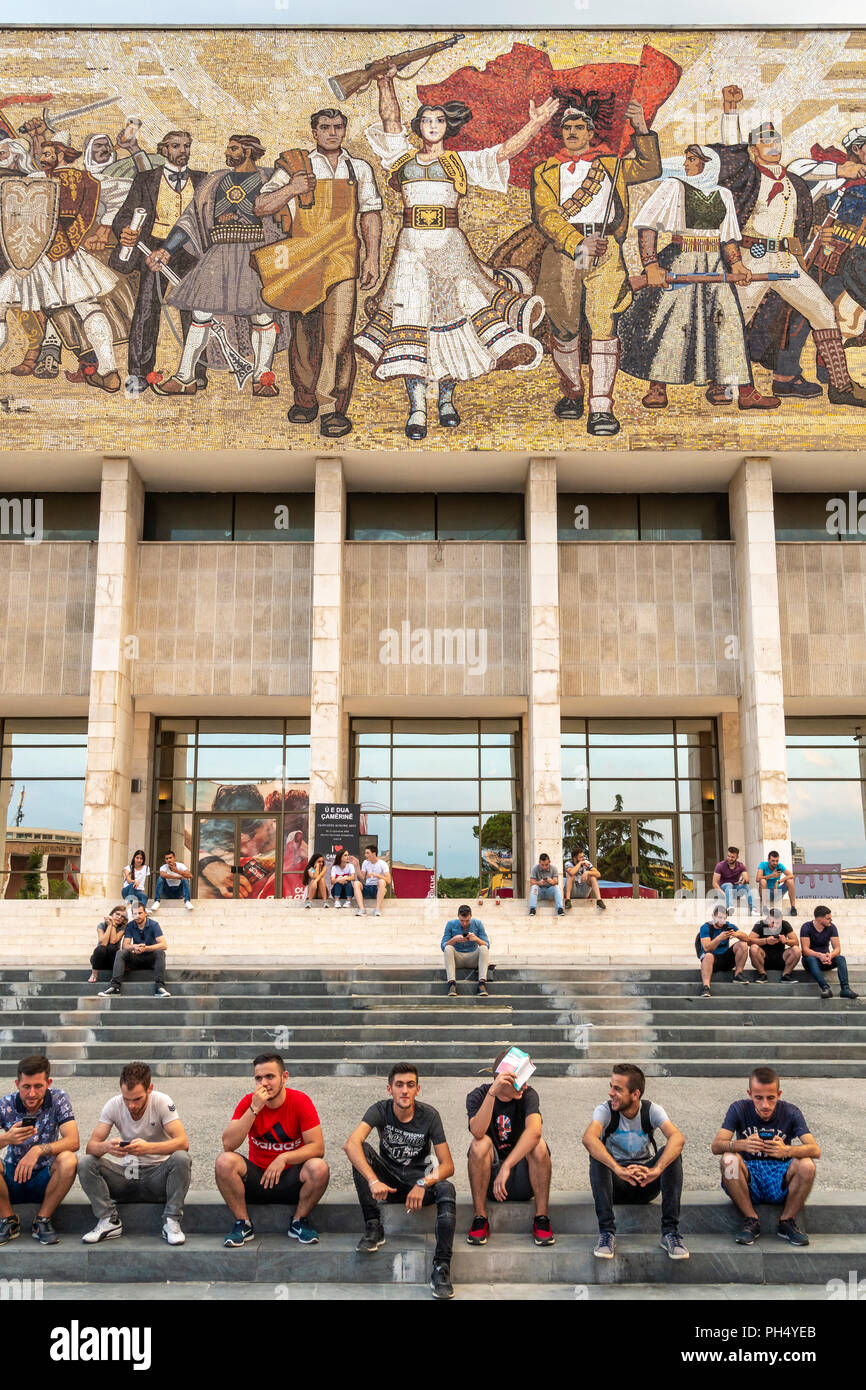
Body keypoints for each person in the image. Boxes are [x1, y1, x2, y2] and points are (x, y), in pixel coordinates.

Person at [355, 68, 556, 440]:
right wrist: (384, 81)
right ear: (418, 127)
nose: (432, 124)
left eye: (439, 120)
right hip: (412, 251)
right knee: (411, 323)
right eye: (426, 120)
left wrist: (536, 124)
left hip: (450, 250)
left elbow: (504, 151)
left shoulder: (460, 163)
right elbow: (389, 118)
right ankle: (417, 407)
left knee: (453, 323)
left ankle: (446, 399)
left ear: (448, 127)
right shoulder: (402, 159)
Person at [708, 85, 866, 409]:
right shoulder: (747, 176)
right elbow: (730, 150)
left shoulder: (794, 178)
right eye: (765, 141)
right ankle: (723, 384)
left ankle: (841, 387)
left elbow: (809, 168)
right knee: (737, 318)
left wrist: (841, 171)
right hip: (753, 258)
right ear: (753, 150)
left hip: (786, 261)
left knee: (823, 312)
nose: (773, 145)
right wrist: (730, 110)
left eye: (776, 139)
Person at [528, 92, 662, 435]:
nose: (572, 132)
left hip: (604, 250)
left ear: (591, 133)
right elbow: (546, 215)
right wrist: (577, 242)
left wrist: (641, 126)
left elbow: (650, 167)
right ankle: (572, 392)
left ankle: (601, 407)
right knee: (565, 325)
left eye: (579, 126)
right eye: (567, 127)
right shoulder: (544, 171)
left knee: (604, 325)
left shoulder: (611, 163)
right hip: (566, 251)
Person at [253, 107, 383, 437]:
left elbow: (370, 216)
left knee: (339, 338)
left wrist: (373, 259)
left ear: (344, 130)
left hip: (342, 260)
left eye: (338, 127)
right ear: (314, 132)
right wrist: (292, 189)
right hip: (304, 261)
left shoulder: (359, 168)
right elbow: (261, 206)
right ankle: (306, 399)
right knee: (303, 336)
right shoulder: (297, 166)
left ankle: (331, 408)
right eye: (325, 127)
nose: (332, 133)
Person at [618, 144, 771, 410]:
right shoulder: (673, 187)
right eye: (687, 159)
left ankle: (740, 389)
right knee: (670, 321)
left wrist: (737, 265)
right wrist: (651, 265)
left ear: (709, 164)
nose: (686, 164)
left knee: (727, 323)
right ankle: (657, 387)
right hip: (681, 260)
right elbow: (648, 226)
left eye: (692, 159)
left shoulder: (723, 194)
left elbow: (728, 236)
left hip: (715, 264)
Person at [149, 134, 286, 398]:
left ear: (248, 151)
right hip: (219, 255)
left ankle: (263, 377)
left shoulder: (269, 179)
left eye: (233, 148)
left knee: (262, 316)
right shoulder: (215, 180)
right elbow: (189, 218)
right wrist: (167, 250)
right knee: (200, 316)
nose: (227, 152)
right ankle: (185, 377)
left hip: (255, 255)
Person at [0, 121, 121, 392]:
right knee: (88, 307)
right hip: (69, 255)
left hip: (36, 256)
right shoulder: (91, 181)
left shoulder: (37, 182)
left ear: (61, 155)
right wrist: (103, 228)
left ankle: (102, 368)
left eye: (47, 154)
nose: (42, 159)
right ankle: (109, 370)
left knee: (2, 300)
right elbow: (119, 197)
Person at [344, 1062, 456, 1300]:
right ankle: (374, 1226)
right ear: (389, 1089)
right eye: (399, 1085)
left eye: (410, 1085)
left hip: (418, 1185)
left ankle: (442, 1267)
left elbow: (447, 1166)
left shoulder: (430, 1116)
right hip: (389, 1183)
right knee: (360, 1151)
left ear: (418, 1089)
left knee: (447, 1188)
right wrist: (374, 1181)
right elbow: (351, 1144)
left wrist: (423, 1183)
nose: (404, 1090)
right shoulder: (379, 1110)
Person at [110, 130, 208, 394]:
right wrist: (125, 233)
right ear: (163, 150)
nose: (183, 151)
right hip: (154, 250)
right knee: (146, 308)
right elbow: (122, 218)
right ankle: (139, 374)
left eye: (187, 145)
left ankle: (197, 373)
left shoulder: (202, 180)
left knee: (197, 310)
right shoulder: (145, 180)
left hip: (192, 251)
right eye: (176, 146)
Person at [215, 1051, 329, 1248]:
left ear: (284, 1077)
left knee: (319, 1167)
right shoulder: (249, 1102)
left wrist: (284, 1158)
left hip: (290, 1180)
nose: (264, 1083)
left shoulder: (300, 1101)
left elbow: (318, 1147)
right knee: (224, 1161)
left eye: (270, 1076)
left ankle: (299, 1221)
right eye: (258, 1078)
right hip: (257, 1180)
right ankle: (243, 1224)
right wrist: (254, 1109)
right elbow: (228, 1144)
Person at [582, 1063, 688, 1260]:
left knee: (672, 1153)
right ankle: (607, 1233)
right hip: (616, 1184)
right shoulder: (604, 1110)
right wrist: (618, 1169)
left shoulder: (652, 1110)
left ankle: (670, 1234)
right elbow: (589, 1138)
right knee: (597, 1154)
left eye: (617, 1089)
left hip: (645, 1181)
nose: (610, 1092)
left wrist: (656, 1170)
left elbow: (677, 1138)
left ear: (635, 1094)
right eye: (611, 1086)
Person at [78, 1061, 191, 1246]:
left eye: (137, 1099)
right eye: (126, 1099)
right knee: (86, 1162)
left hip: (158, 1177)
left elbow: (183, 1143)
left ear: (149, 1089)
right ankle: (109, 1220)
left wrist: (148, 1148)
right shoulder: (113, 1105)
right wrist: (107, 1147)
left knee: (182, 1158)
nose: (131, 1105)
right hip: (128, 1174)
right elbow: (91, 1147)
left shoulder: (162, 1102)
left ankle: (171, 1221)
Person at [711, 1065, 820, 1246]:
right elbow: (716, 1146)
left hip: (781, 1176)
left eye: (771, 1098)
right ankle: (750, 1219)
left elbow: (815, 1149)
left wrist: (786, 1150)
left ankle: (787, 1221)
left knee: (807, 1164)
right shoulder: (738, 1108)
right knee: (728, 1159)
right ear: (749, 1094)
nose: (765, 1105)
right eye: (758, 1098)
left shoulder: (791, 1112)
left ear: (779, 1094)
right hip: (749, 1178)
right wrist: (742, 1144)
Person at [466, 1049, 554, 1247]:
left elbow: (534, 1131)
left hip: (523, 1178)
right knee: (480, 1144)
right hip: (489, 1181)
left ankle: (541, 1219)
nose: (525, 1085)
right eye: (520, 1080)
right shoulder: (478, 1095)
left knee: (537, 1144)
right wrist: (492, 1093)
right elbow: (478, 1131)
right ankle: (480, 1218)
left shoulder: (529, 1095)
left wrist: (507, 1167)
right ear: (502, 1079)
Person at [0, 1054, 79, 1246]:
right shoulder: (5, 1104)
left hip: (45, 1178)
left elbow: (73, 1141)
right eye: (26, 1087)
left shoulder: (58, 1099)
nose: (32, 1094)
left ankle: (42, 1220)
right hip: (12, 1177)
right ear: (17, 1084)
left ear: (48, 1083)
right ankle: (8, 1220)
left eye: (38, 1086)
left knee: (69, 1159)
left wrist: (37, 1151)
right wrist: (6, 1138)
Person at [98, 901, 169, 998]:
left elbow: (164, 945)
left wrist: (146, 948)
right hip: (136, 959)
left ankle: (159, 988)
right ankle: (115, 987)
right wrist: (134, 946)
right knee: (121, 953)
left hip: (151, 959)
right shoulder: (130, 925)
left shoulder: (154, 925)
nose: (137, 916)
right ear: (132, 914)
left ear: (145, 913)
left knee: (160, 952)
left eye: (140, 913)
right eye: (135, 914)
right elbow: (125, 945)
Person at [800, 904, 859, 1000]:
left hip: (827, 959)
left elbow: (837, 949)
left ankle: (845, 989)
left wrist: (830, 955)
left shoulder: (831, 927)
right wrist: (820, 956)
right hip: (811, 961)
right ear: (819, 919)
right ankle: (825, 988)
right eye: (828, 918)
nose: (831, 920)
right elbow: (805, 950)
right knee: (811, 959)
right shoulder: (806, 927)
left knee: (840, 958)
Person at [697, 904, 752, 996]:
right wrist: (719, 938)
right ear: (713, 916)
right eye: (719, 918)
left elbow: (748, 939)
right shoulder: (706, 927)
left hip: (726, 959)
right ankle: (706, 987)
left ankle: (738, 974)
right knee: (708, 956)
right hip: (711, 960)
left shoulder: (728, 926)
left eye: (724, 918)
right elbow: (706, 948)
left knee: (742, 944)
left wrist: (736, 934)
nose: (722, 921)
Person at [440, 905, 491, 997]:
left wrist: (476, 939)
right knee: (448, 948)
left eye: (467, 921)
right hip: (457, 958)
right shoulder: (450, 924)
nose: (464, 923)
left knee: (483, 948)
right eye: (461, 921)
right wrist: (454, 940)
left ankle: (482, 983)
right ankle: (452, 984)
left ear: (471, 916)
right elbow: (443, 946)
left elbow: (487, 944)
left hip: (473, 958)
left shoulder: (477, 923)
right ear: (458, 917)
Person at [747, 907, 801, 982]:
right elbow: (749, 941)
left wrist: (786, 941)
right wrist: (765, 941)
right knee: (753, 948)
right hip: (763, 957)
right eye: (772, 923)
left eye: (778, 923)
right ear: (767, 919)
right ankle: (762, 974)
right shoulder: (760, 924)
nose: (775, 925)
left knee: (796, 950)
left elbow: (796, 942)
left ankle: (786, 975)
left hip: (781, 957)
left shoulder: (785, 924)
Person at [87, 904, 127, 984]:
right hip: (99, 959)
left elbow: (113, 941)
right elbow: (103, 942)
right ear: (112, 914)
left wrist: (113, 926)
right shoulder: (101, 925)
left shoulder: (123, 928)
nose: (119, 917)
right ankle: (94, 974)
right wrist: (109, 925)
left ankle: (114, 975)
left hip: (112, 960)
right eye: (117, 914)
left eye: (122, 916)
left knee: (112, 947)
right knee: (100, 948)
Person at [712, 845, 755, 914]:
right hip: (723, 890)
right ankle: (729, 907)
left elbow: (747, 879)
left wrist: (744, 881)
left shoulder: (740, 865)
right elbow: (714, 883)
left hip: (734, 890)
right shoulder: (720, 865)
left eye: (732, 857)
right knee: (729, 885)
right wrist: (724, 893)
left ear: (737, 857)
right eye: (728, 856)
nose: (730, 858)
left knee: (746, 886)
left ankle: (753, 909)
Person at [756, 849, 797, 915]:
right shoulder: (763, 865)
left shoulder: (779, 866)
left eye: (776, 861)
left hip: (776, 892)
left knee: (790, 881)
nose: (775, 863)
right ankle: (764, 908)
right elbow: (757, 879)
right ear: (768, 860)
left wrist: (779, 881)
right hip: (766, 893)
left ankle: (793, 908)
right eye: (773, 861)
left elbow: (791, 875)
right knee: (763, 881)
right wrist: (772, 875)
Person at [359, 845, 391, 916]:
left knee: (382, 881)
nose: (365, 855)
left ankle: (377, 909)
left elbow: (388, 881)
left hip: (377, 889)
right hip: (368, 887)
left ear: (374, 854)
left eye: (367, 853)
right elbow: (361, 877)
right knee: (356, 883)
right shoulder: (365, 862)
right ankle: (362, 909)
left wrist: (377, 875)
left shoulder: (383, 864)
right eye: (365, 853)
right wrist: (356, 866)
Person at [122, 849, 150, 916]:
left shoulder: (146, 868)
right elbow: (128, 880)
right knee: (132, 884)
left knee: (144, 896)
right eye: (137, 858)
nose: (139, 860)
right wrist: (135, 881)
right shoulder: (127, 868)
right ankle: (129, 907)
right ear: (134, 858)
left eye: (141, 858)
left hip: (138, 891)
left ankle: (142, 910)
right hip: (127, 891)